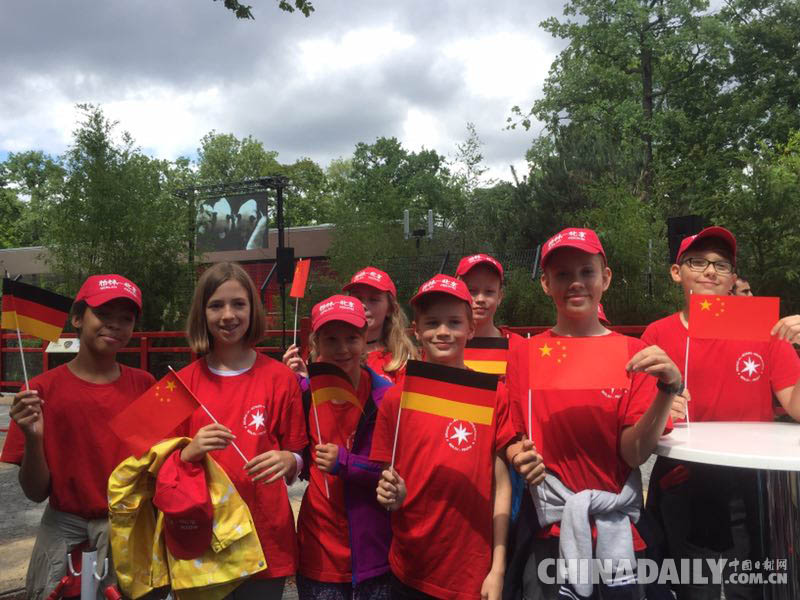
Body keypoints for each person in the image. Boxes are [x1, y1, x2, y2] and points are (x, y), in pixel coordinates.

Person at [507, 228, 685, 600]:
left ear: (605, 278)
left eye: (586, 272)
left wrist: (668, 390)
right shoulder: (523, 355)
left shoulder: (632, 353)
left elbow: (634, 454)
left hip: (618, 531)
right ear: (545, 283)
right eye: (562, 274)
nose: (576, 283)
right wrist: (517, 454)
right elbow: (512, 433)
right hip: (549, 531)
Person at [642, 226, 800, 599]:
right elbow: (639, 423)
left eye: (722, 265)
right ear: (676, 272)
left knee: (764, 586)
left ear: (733, 278)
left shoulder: (765, 330)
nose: (711, 271)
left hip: (757, 489)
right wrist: (661, 405)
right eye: (698, 262)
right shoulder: (657, 335)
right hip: (684, 486)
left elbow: (795, 403)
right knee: (696, 589)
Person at [0, 275, 155, 600]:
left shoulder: (144, 386)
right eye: (103, 314)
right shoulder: (39, 392)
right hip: (63, 533)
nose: (114, 325)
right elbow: (34, 491)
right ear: (77, 318)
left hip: (129, 532)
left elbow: (156, 469)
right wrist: (33, 438)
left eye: (125, 319)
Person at [370, 274, 516, 600]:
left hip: (471, 572)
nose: (443, 332)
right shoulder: (398, 398)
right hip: (410, 567)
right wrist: (391, 493)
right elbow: (384, 476)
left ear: (471, 329)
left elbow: (502, 485)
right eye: (433, 323)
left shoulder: (494, 395)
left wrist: (498, 568)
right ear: (417, 330)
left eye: (454, 322)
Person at [177, 262, 308, 599]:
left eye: (238, 304)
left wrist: (289, 460)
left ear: (252, 309)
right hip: (202, 536)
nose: (228, 315)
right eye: (216, 305)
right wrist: (188, 453)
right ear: (202, 312)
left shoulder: (280, 378)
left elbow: (298, 453)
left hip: (265, 536)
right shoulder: (181, 384)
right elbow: (154, 463)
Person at [293, 295, 393, 600]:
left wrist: (346, 463)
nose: (342, 348)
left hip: (375, 555)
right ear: (316, 342)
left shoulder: (386, 396)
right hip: (319, 554)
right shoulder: (302, 394)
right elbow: (294, 457)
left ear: (365, 339)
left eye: (351, 337)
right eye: (331, 339)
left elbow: (395, 470)